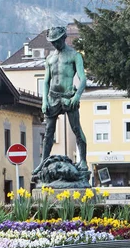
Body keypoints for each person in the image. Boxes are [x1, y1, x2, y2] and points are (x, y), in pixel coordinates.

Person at [33, 26, 88, 175]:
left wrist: (77, 96)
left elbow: (83, 79)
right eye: (52, 42)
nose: (55, 44)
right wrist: (44, 101)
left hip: (69, 96)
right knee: (48, 131)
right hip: (52, 96)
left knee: (76, 129)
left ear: (63, 38)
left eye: (57, 41)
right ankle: (44, 162)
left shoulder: (74, 55)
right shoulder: (50, 58)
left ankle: (83, 160)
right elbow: (45, 81)